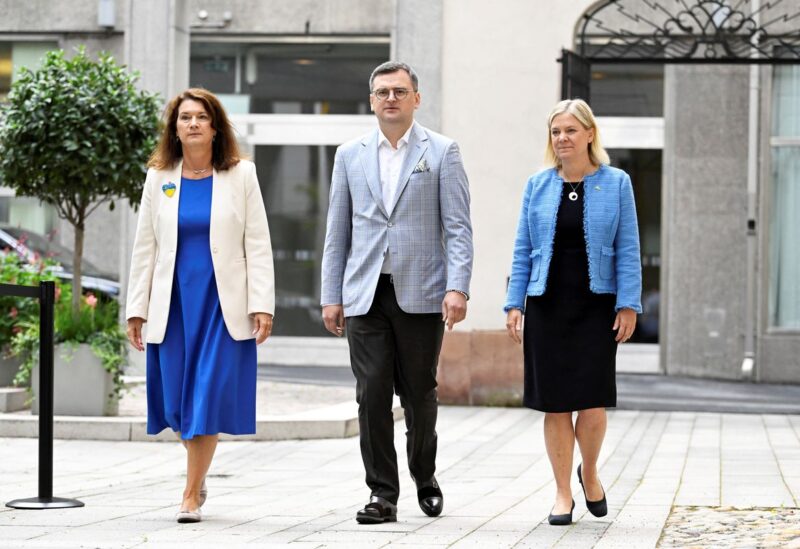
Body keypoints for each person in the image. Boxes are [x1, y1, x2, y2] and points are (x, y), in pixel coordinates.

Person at [321, 61, 473, 524]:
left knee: (420, 393)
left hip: (422, 292)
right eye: (383, 92)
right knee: (371, 394)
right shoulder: (349, 155)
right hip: (364, 292)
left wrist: (457, 287)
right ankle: (382, 494)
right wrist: (332, 293)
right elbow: (337, 230)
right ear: (371, 101)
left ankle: (424, 476)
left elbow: (459, 228)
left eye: (400, 91)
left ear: (416, 99)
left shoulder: (442, 152)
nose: (391, 98)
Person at [126, 88, 275, 523]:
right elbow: (144, 248)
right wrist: (137, 308)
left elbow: (258, 244)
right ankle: (200, 470)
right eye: (184, 117)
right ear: (174, 127)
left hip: (220, 302)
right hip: (171, 303)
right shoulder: (159, 178)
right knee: (175, 403)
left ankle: (190, 493)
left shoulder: (241, 174)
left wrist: (262, 302)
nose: (193, 124)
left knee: (206, 395)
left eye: (201, 117)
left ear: (215, 127)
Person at [504, 99, 642, 526]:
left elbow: (628, 248)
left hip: (595, 305)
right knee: (556, 404)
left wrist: (628, 303)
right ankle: (563, 491)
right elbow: (524, 248)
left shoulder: (617, 183)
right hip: (547, 303)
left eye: (569, 130)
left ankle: (592, 473)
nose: (561, 138)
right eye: (555, 132)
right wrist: (514, 302)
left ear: (589, 135)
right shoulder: (537, 185)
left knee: (593, 402)